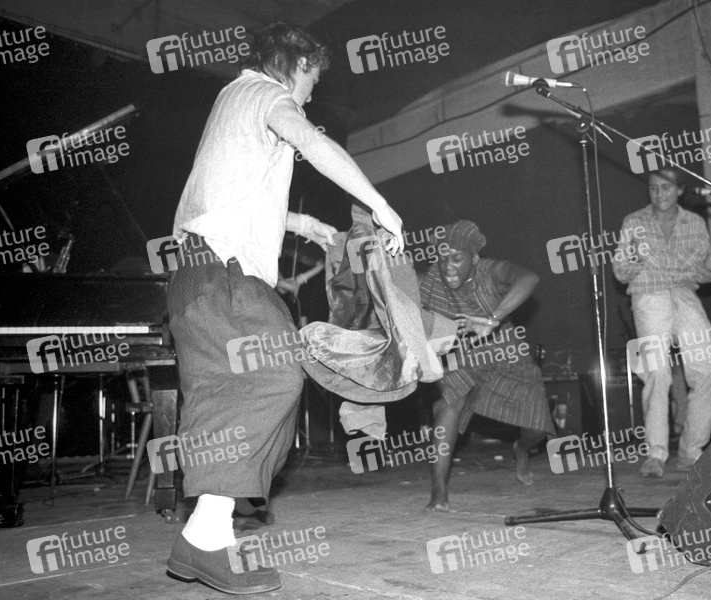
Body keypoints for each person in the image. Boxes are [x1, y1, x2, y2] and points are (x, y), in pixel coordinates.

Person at [164, 22, 404, 595]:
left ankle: (207, 534)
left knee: (232, 387)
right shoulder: (267, 94)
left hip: (195, 273)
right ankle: (203, 536)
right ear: (296, 65)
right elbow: (315, 145)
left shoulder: (231, 98)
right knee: (273, 374)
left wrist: (299, 223)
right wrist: (381, 206)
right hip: (223, 273)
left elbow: (227, 191)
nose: (311, 95)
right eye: (312, 80)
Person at [418, 220, 555, 512]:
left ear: (475, 257)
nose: (448, 267)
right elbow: (395, 288)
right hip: (460, 353)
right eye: (442, 258)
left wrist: (493, 320)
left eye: (457, 259)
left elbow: (529, 278)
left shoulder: (492, 270)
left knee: (537, 428)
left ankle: (521, 448)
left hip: (504, 351)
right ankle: (439, 491)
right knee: (449, 404)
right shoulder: (431, 281)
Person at [612, 168, 711, 478]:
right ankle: (656, 454)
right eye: (653, 188)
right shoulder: (633, 221)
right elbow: (620, 272)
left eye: (665, 188)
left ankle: (691, 450)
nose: (659, 193)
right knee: (656, 373)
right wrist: (634, 258)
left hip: (685, 294)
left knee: (708, 370)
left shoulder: (695, 223)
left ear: (679, 190)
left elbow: (702, 275)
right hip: (648, 296)